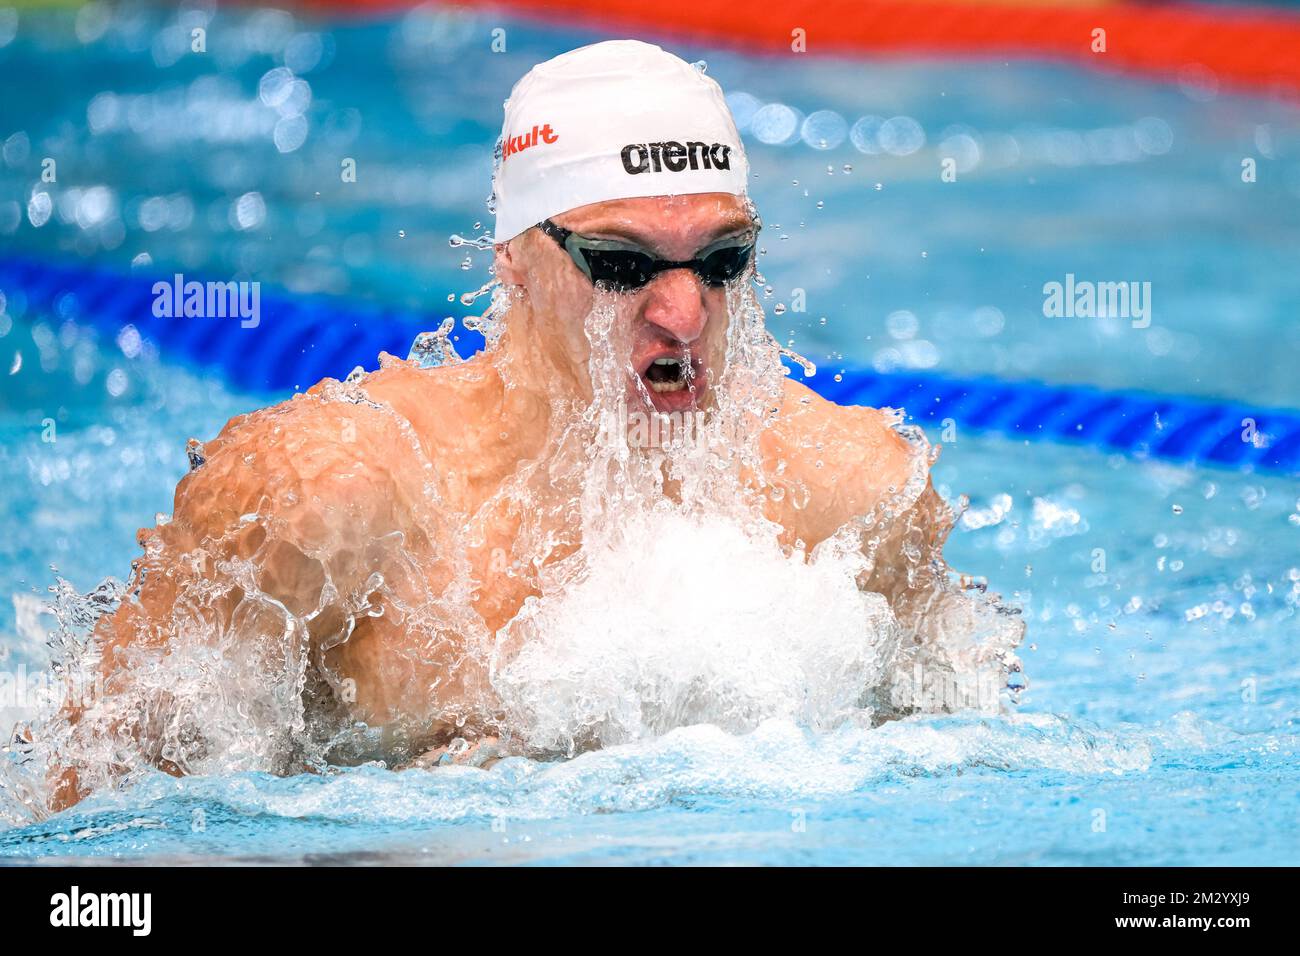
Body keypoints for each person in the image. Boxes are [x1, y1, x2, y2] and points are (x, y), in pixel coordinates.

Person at [46, 40, 1021, 810]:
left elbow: (973, 777)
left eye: (722, 261)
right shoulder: (339, 497)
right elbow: (90, 791)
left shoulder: (850, 491)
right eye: (621, 264)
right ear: (512, 259)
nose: (683, 314)